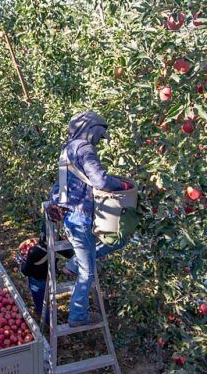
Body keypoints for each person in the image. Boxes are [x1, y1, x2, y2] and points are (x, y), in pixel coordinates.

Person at [47, 111, 131, 327]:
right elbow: (100, 180)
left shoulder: (68, 149)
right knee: (88, 270)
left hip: (71, 216)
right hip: (81, 218)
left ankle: (74, 262)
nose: (99, 141)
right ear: (91, 130)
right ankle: (77, 316)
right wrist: (122, 185)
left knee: (119, 239)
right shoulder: (84, 149)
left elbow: (59, 186)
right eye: (99, 136)